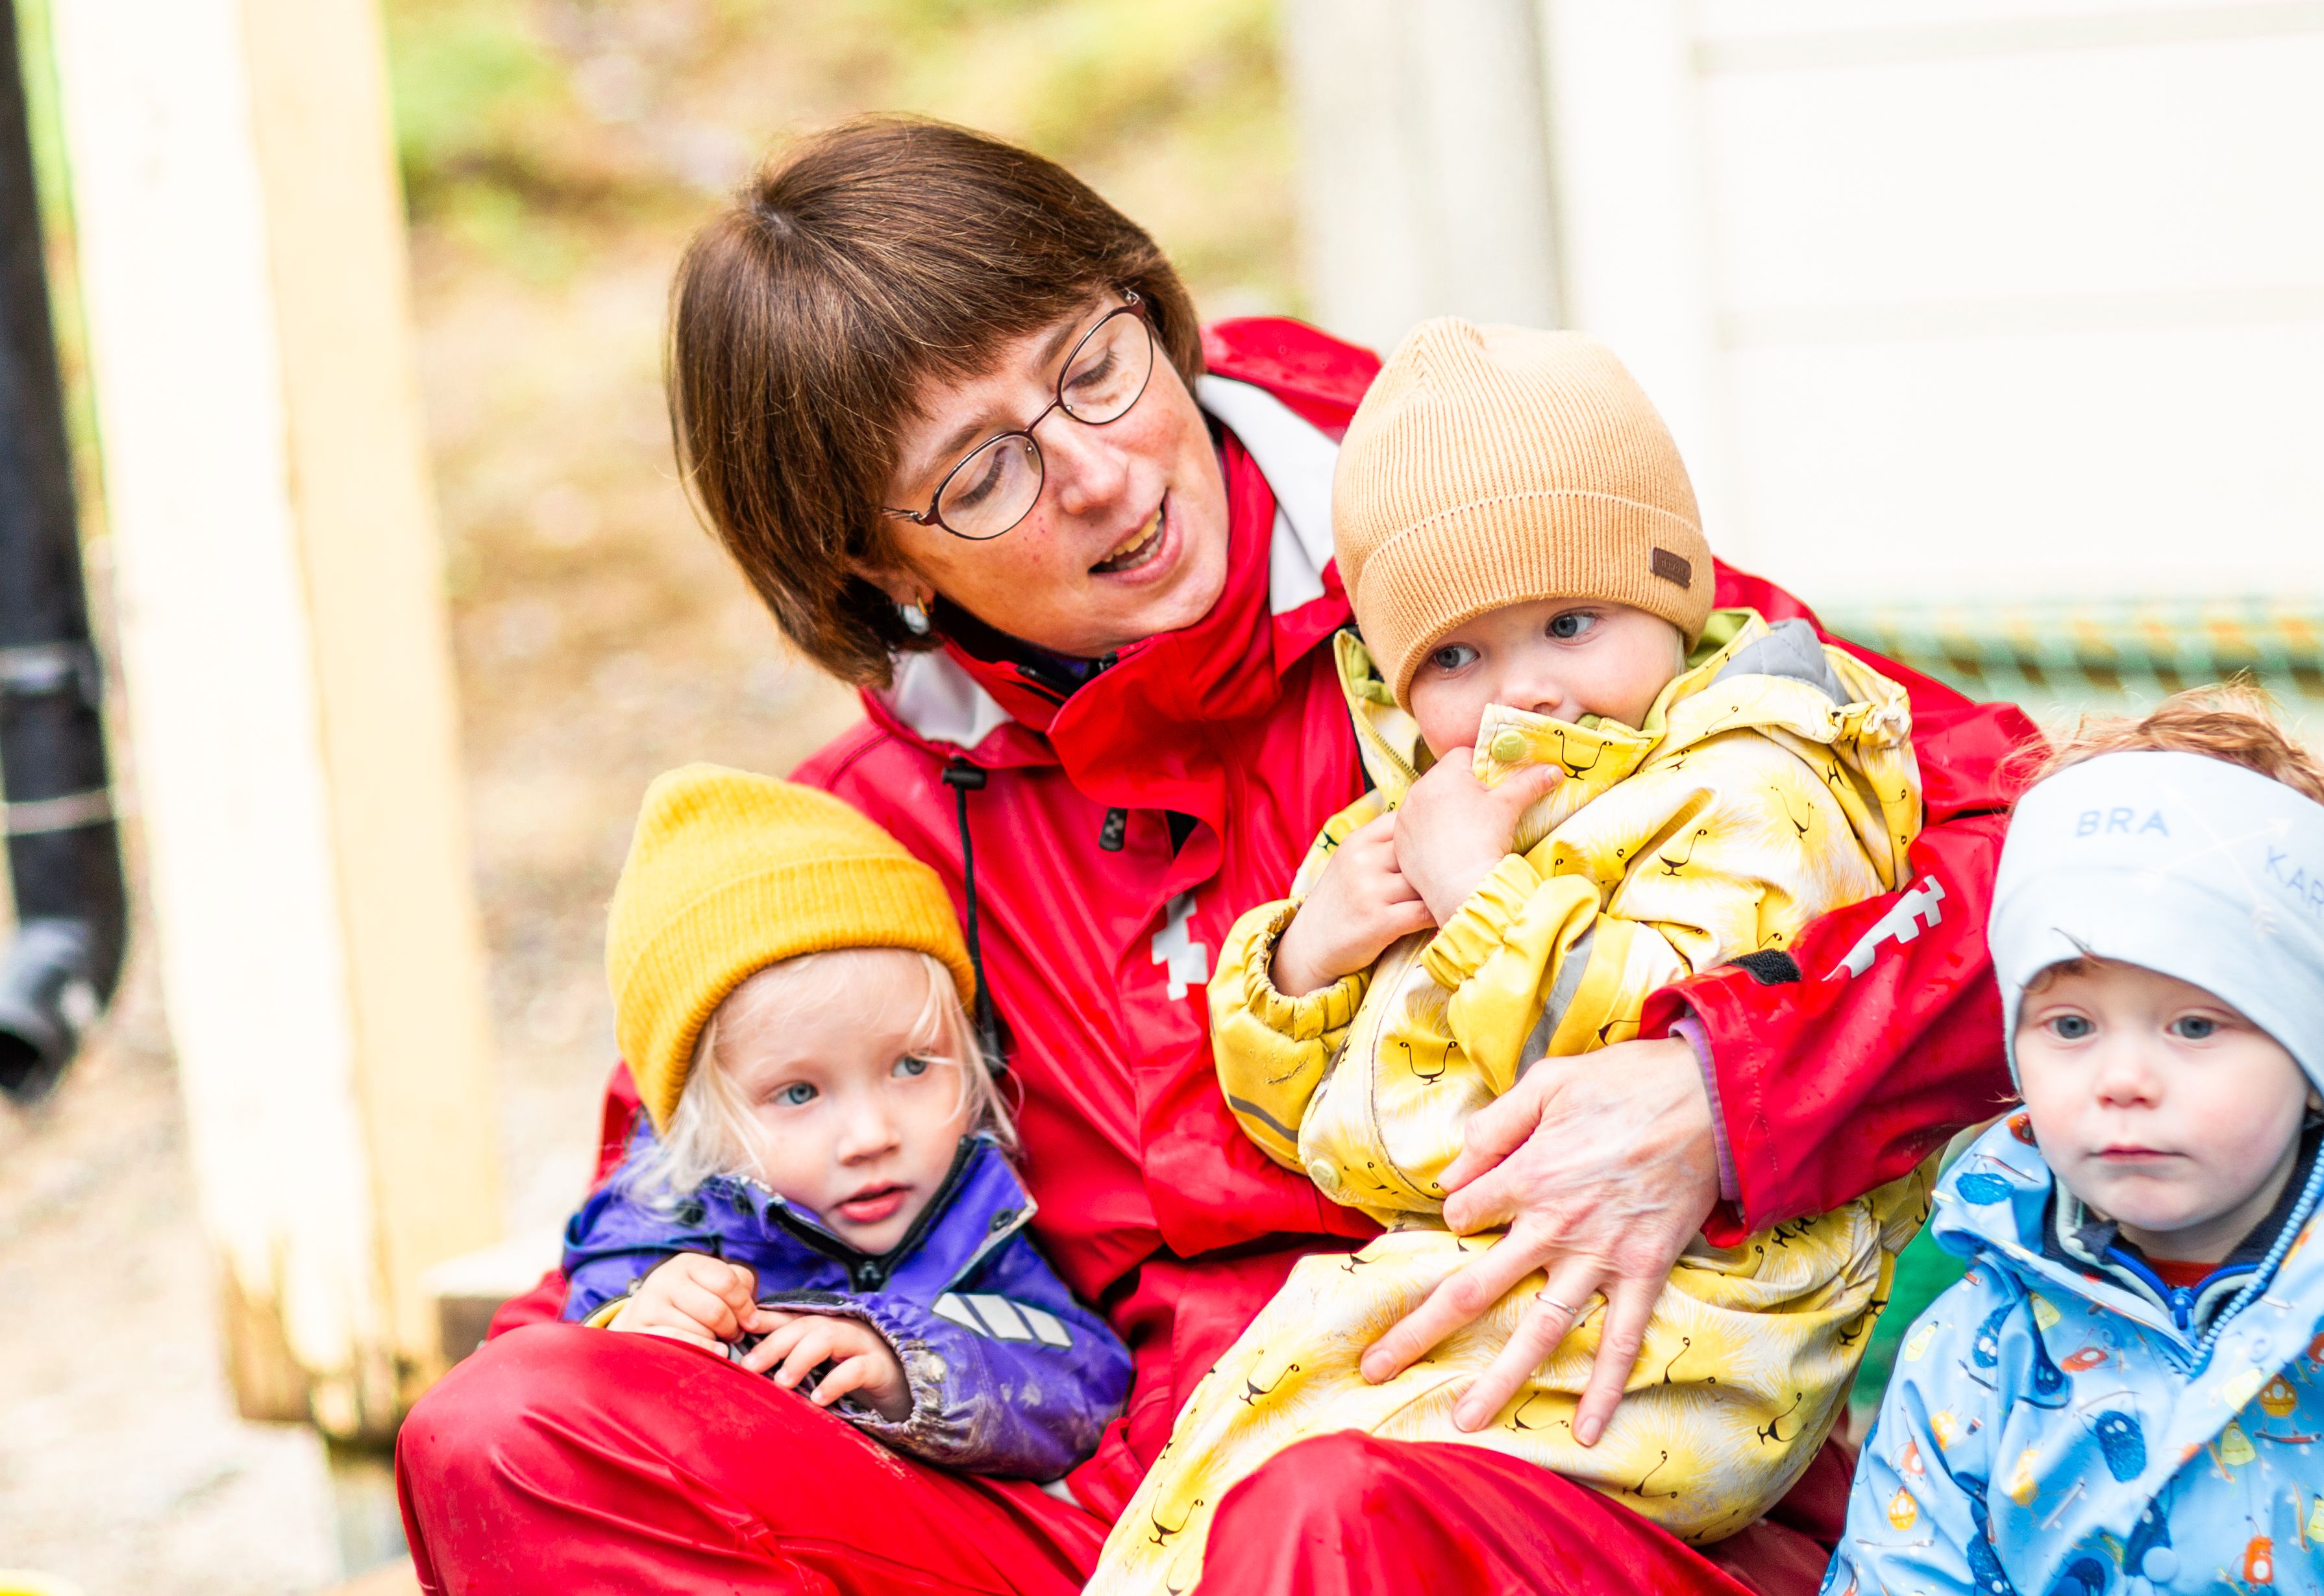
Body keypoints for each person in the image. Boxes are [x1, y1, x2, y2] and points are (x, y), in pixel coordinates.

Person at [397, 116, 2037, 1596]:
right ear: (869, 565)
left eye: (1094, 365)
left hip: (1538, 1466)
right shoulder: (870, 833)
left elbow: (2038, 843)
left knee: (1311, 1525)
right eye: (980, 475)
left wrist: (1726, 1089)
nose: (1102, 471)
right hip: (1103, 1494)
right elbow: (666, 1210)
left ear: (1149, 298)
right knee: (510, 1432)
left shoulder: (1484, 581)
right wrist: (650, 1318)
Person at [1093, 320, 1938, 1594]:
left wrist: (1476, 895)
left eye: (1569, 620)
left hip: (1684, 1322)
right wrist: (1306, 957)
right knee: (1209, 1501)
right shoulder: (1431, 810)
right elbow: (1316, 1126)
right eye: (1456, 655)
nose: (1527, 691)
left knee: (1290, 1503)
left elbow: (1620, 1064)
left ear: (1672, 597)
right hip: (1476, 1279)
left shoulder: (1758, 779)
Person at [1824, 688, 2324, 1596]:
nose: (2120, 1078)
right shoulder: (1977, 1346)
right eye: (2070, 1025)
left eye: (2195, 1026)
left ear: (2313, 1044)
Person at [554, 764, 1129, 1480]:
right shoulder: (658, 1231)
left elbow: (1090, 1384)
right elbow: (568, 1390)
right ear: (696, 1124)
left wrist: (908, 1365)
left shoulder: (972, 1220)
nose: (870, 1137)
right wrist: (631, 1329)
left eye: (913, 1066)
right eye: (798, 1094)